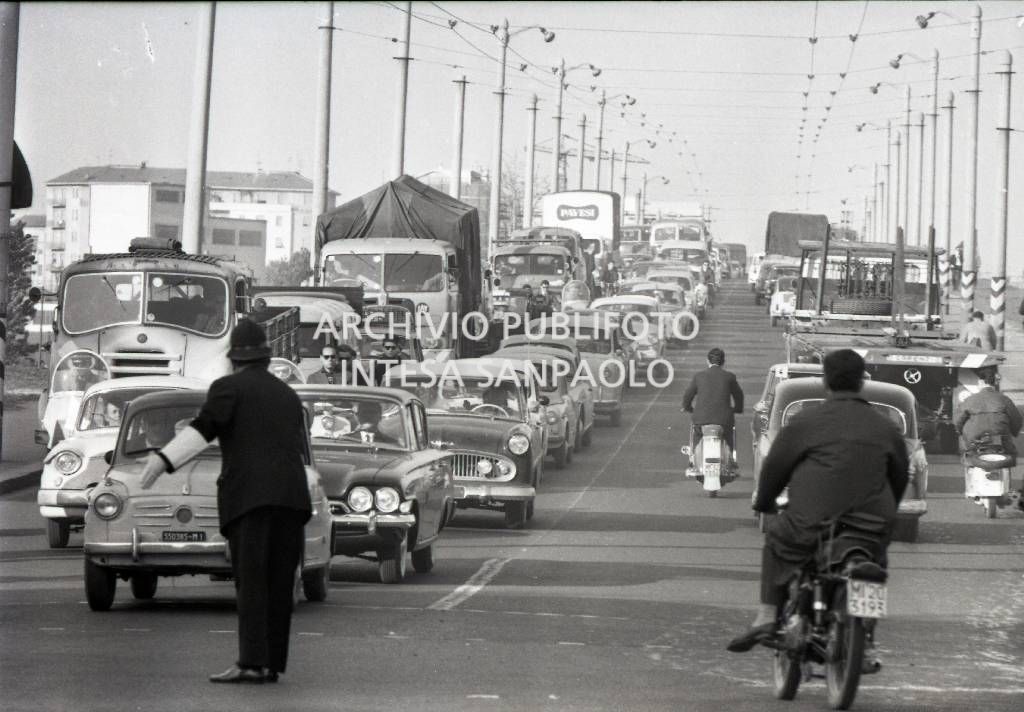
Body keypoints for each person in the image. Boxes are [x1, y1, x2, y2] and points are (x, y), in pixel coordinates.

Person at [140, 320, 312, 684]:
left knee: (251, 582)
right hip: (292, 498)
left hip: (250, 498)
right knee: (279, 584)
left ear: (234, 359)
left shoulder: (228, 388)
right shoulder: (288, 394)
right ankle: (271, 664)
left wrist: (162, 460)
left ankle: (250, 662)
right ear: (265, 358)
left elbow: (202, 430)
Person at [727, 349, 908, 655]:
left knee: (775, 539)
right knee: (874, 566)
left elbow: (775, 469)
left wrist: (765, 503)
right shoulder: (886, 427)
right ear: (861, 382)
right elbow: (900, 478)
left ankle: (768, 615)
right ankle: (865, 638)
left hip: (810, 525)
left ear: (826, 381)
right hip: (870, 530)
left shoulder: (806, 421)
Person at [680, 347, 744, 462]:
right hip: (724, 421)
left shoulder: (699, 376)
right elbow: (739, 396)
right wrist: (738, 409)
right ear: (723, 362)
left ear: (707, 361)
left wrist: (687, 407)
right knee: (728, 437)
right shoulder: (729, 377)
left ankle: (694, 459)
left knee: (697, 437)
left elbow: (688, 395)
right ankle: (731, 461)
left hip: (701, 419)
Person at [954, 365, 1023, 465]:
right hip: (1002, 445)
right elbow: (1017, 420)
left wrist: (961, 432)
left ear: (981, 382)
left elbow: (957, 422)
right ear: (995, 382)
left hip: (974, 445)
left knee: (968, 458)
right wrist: (1014, 431)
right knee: (1010, 457)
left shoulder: (970, 400)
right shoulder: (1004, 399)